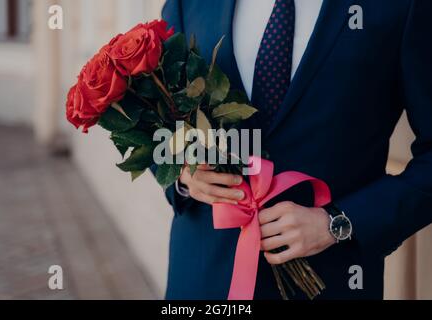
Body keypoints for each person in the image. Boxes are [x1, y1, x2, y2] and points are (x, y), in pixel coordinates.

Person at [159, 0, 432, 299]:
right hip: (202, 277)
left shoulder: (404, 7)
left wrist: (338, 223)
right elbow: (161, 117)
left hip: (332, 280)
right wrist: (183, 174)